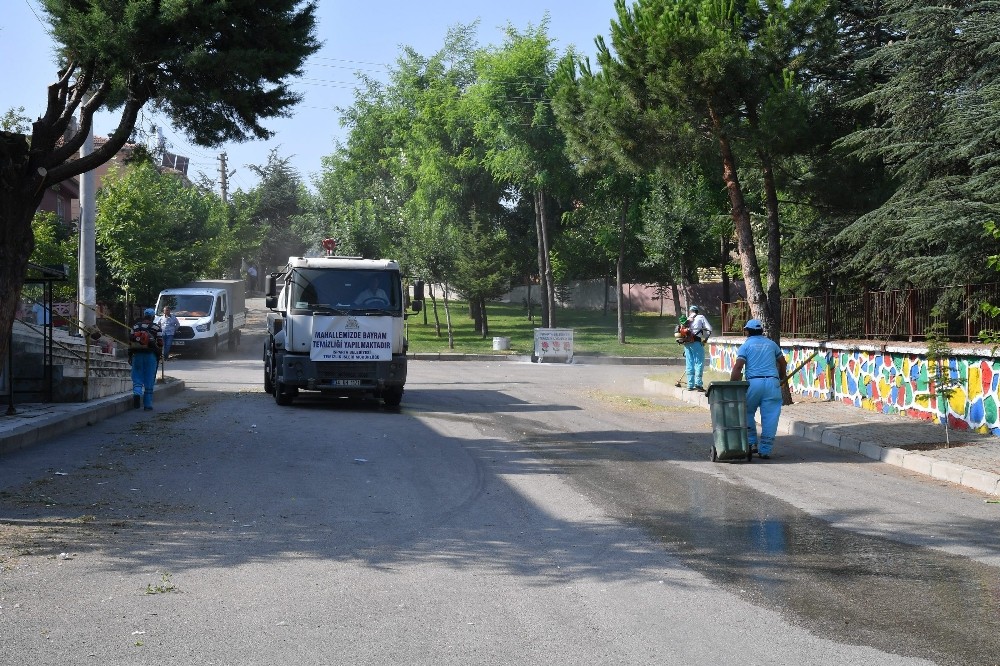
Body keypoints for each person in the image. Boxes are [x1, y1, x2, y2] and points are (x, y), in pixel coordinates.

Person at [729, 318, 787, 459]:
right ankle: (765, 450)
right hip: (772, 384)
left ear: (747, 331)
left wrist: (732, 384)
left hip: (754, 383)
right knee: (771, 417)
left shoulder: (746, 346)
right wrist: (781, 378)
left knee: (746, 411)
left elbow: (738, 367)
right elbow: (782, 362)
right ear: (761, 330)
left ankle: (751, 443)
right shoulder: (771, 344)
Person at [129, 308, 163, 411]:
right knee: (149, 379)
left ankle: (137, 393)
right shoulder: (156, 328)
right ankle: (147, 405)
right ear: (153, 317)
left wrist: (129, 356)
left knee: (137, 376)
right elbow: (160, 343)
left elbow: (130, 341)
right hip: (150, 356)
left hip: (137, 355)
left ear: (144, 315)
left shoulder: (135, 326)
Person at [683, 305, 713, 392]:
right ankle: (698, 384)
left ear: (690, 311)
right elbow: (709, 328)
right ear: (697, 311)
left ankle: (690, 385)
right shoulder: (701, 317)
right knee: (699, 362)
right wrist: (706, 338)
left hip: (687, 343)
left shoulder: (687, 319)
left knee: (689, 363)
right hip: (696, 342)